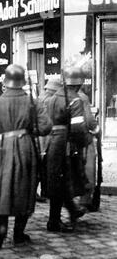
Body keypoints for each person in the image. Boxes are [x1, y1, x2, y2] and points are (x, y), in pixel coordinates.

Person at [0, 64, 52, 250]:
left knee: (3, 188)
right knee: (25, 189)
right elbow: (46, 127)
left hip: (4, 149)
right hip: (27, 148)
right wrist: (28, 130)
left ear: (5, 83)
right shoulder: (32, 103)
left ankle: (1, 230)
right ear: (22, 83)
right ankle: (19, 234)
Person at [43, 67, 97, 232]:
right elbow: (78, 128)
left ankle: (66, 214)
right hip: (66, 144)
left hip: (52, 142)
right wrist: (85, 142)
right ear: (79, 84)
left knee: (57, 181)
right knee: (65, 180)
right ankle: (55, 220)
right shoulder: (75, 100)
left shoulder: (52, 98)